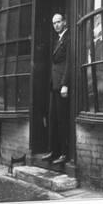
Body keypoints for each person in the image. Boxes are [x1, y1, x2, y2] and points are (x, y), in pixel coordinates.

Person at [42, 13, 70, 165]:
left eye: (59, 22)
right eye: (54, 23)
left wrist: (65, 83)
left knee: (62, 119)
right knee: (53, 118)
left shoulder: (68, 38)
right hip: (54, 84)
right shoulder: (57, 40)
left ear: (64, 22)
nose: (56, 25)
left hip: (61, 86)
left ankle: (64, 153)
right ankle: (54, 151)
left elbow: (68, 62)